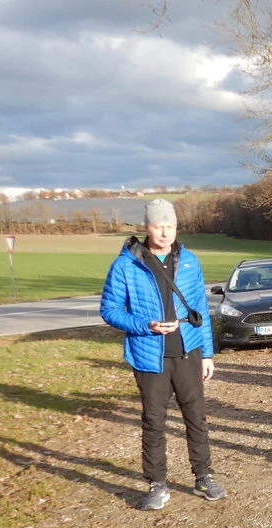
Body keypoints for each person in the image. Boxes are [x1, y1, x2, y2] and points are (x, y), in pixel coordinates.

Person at [100, 199, 225, 511]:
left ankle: (204, 475)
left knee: (196, 417)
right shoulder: (126, 265)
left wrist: (207, 353)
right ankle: (157, 483)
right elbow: (110, 310)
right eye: (159, 226)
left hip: (188, 352)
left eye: (170, 226)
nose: (165, 232)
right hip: (148, 355)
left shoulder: (190, 261)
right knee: (154, 421)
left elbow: (200, 311)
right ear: (147, 227)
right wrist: (146, 325)